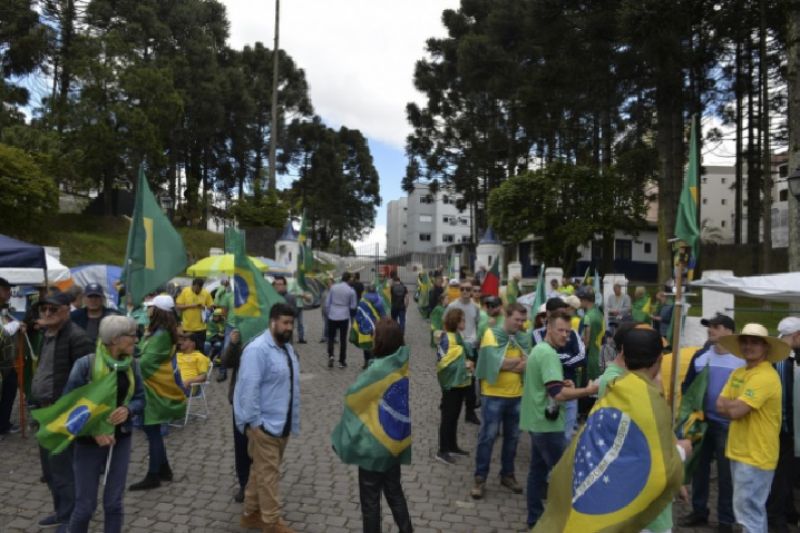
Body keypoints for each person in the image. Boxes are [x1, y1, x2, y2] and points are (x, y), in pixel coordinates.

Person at [63, 316, 144, 533]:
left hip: (121, 439)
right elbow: (68, 407)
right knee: (85, 507)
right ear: (115, 339)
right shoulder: (85, 365)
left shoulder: (132, 364)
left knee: (114, 504)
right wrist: (93, 431)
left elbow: (140, 398)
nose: (136, 339)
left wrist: (129, 409)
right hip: (88, 443)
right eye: (132, 335)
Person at [331, 317, 412, 533]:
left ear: (381, 340)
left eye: (375, 334)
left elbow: (353, 398)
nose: (372, 337)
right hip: (393, 442)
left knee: (370, 501)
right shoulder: (400, 364)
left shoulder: (377, 371)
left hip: (374, 445)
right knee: (395, 492)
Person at [520, 308, 599, 528]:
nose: (565, 335)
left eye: (568, 331)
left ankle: (535, 520)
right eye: (561, 330)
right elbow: (558, 394)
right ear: (548, 328)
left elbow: (547, 385)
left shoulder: (540, 350)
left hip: (537, 422)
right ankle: (564, 524)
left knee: (537, 473)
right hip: (547, 425)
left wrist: (562, 384)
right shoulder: (548, 354)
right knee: (565, 477)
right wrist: (588, 390)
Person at [716, 323, 789, 533]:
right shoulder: (739, 372)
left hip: (756, 454)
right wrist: (733, 406)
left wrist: (732, 405)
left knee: (748, 513)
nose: (749, 346)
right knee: (749, 511)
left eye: (755, 342)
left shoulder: (765, 376)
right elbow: (719, 405)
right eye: (745, 342)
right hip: (740, 451)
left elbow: (734, 411)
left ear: (766, 347)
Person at [30, 291, 94, 528]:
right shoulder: (47, 334)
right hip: (45, 411)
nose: (47, 313)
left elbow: (88, 381)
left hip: (63, 413)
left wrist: (71, 413)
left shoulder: (77, 337)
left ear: (67, 310)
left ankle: (69, 518)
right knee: (49, 469)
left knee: (64, 470)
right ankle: (61, 511)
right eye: (43, 309)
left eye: (53, 309)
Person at [235, 303, 299, 533]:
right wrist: (256, 425)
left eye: (291, 323)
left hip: (282, 423)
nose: (289, 327)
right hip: (264, 427)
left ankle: (250, 514)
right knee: (269, 475)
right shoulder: (257, 350)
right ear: (272, 322)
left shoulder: (286, 348)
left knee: (260, 472)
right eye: (285, 322)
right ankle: (271, 522)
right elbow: (248, 389)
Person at [678, 313, 741, 532]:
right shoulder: (700, 356)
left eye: (716, 326)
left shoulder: (741, 360)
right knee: (698, 469)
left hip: (728, 425)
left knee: (726, 475)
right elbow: (687, 387)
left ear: (729, 331)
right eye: (709, 326)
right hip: (702, 424)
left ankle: (726, 520)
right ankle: (699, 511)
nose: (710, 329)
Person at [472, 303, 531, 499]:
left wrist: (507, 363)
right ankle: (480, 478)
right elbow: (493, 362)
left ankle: (507, 474)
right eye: (517, 320)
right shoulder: (492, 334)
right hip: (493, 395)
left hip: (517, 395)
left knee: (513, 438)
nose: (520, 324)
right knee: (487, 437)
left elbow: (528, 362)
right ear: (506, 316)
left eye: (523, 320)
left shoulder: (523, 337)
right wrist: (515, 362)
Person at [128, 295, 184, 492]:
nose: (147, 310)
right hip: (153, 384)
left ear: (158, 311)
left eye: (150, 307)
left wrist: (131, 359)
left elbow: (146, 362)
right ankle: (164, 469)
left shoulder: (160, 335)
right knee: (153, 430)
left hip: (152, 387)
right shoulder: (160, 332)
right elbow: (145, 353)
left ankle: (153, 475)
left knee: (152, 430)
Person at [531, 298, 586, 442]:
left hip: (569, 389)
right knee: (546, 437)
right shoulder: (537, 334)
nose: (563, 316)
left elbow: (582, 357)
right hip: (547, 393)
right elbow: (544, 357)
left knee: (567, 436)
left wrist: (557, 359)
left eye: (565, 313)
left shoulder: (572, 333)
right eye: (559, 313)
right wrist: (567, 356)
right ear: (549, 314)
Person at [767, 317, 800, 532]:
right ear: (797, 335)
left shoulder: (781, 355)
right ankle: (776, 518)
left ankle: (787, 510)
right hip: (784, 429)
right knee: (782, 475)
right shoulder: (782, 359)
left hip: (781, 428)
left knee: (785, 474)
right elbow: (785, 400)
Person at [436, 308, 474, 465]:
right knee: (448, 417)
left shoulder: (458, 336)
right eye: (462, 320)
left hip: (460, 383)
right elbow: (443, 363)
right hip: (451, 385)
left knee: (455, 416)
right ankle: (442, 450)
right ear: (456, 322)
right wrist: (464, 365)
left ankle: (452, 445)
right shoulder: (447, 338)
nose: (465, 322)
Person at [221, 329, 250, 503]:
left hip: (264, 402)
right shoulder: (240, 337)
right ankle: (244, 483)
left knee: (261, 447)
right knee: (241, 445)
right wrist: (233, 343)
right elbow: (226, 362)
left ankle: (260, 483)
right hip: (241, 400)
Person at [447, 280, 482, 425]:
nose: (465, 292)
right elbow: (445, 323)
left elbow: (478, 324)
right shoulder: (452, 306)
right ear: (459, 290)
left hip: (471, 346)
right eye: (462, 289)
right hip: (457, 346)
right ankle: (446, 403)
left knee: (471, 379)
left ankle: (470, 411)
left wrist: (477, 341)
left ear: (472, 291)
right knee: (454, 375)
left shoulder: (476, 307)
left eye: (468, 289)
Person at [0, 277, 24, 435]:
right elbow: (2, 331)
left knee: (9, 392)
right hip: (2, 363)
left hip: (7, 362)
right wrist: (16, 324)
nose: (9, 292)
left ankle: (3, 424)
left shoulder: (4, 309)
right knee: (6, 391)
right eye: (6, 289)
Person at [326, 272, 358, 368]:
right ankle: (342, 361)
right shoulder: (351, 290)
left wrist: (329, 312)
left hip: (333, 314)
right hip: (344, 315)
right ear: (348, 279)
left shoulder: (333, 287)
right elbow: (353, 306)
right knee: (343, 339)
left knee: (331, 337)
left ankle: (331, 355)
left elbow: (327, 302)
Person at [175, 278, 212, 353]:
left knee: (200, 350)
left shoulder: (205, 293)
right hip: (188, 328)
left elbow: (211, 307)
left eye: (200, 289)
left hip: (201, 328)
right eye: (196, 288)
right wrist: (192, 306)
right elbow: (178, 306)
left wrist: (205, 307)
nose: (198, 291)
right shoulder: (185, 291)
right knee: (187, 350)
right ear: (193, 285)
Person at [579, 288, 605, 384]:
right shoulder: (599, 313)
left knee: (589, 387)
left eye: (580, 299)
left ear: (585, 300)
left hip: (590, 358)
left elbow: (586, 341)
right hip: (600, 354)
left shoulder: (587, 317)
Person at [359, 283, 387, 369]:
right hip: (376, 324)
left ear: (367, 290)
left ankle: (366, 361)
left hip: (366, 324)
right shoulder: (380, 299)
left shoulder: (363, 299)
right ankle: (374, 361)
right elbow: (383, 314)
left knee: (366, 343)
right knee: (375, 343)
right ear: (375, 290)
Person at [272, 276, 305, 344]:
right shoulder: (272, 297)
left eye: (280, 284)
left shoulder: (290, 298)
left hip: (286, 331)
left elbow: (295, 313)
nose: (277, 286)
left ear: (285, 286)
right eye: (276, 284)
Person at [205, 308, 226, 381]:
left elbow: (224, 331)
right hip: (210, 339)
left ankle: (213, 358)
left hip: (218, 340)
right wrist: (218, 334)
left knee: (219, 345)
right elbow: (209, 333)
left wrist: (222, 335)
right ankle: (205, 360)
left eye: (216, 316)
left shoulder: (224, 322)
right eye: (214, 316)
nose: (215, 317)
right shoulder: (210, 322)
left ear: (220, 316)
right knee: (206, 345)